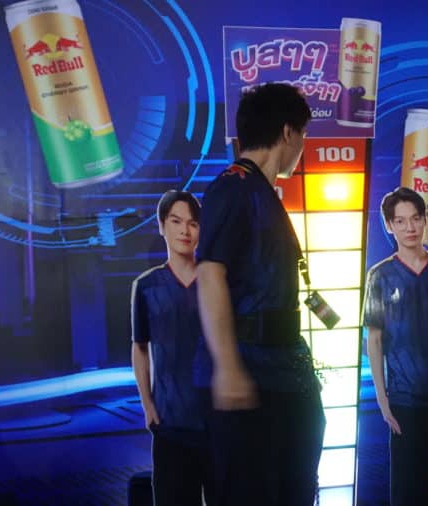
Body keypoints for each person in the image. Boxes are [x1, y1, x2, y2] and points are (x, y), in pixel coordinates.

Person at [195, 83, 325, 506]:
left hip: (282, 368)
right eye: (304, 135)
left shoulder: (260, 191)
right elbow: (210, 274)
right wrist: (228, 367)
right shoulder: (234, 187)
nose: (303, 146)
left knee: (294, 484)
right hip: (250, 367)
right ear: (288, 132)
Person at [362, 187, 428, 506]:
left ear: (425, 221)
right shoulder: (380, 276)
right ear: (389, 225)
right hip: (405, 400)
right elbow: (374, 339)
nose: (410, 227)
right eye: (401, 221)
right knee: (408, 493)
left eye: (416, 219)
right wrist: (383, 399)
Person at [131, 190, 213, 505]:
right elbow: (140, 347)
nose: (185, 231)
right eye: (176, 222)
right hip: (170, 422)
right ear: (162, 226)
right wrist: (148, 405)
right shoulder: (147, 286)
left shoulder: (216, 282)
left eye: (193, 223)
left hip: (216, 421)